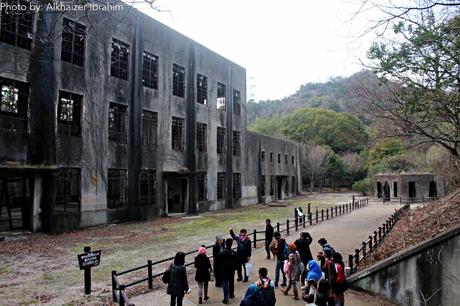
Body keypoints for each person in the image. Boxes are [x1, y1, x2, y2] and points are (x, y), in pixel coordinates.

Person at [219, 238, 238, 304]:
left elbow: (219, 261)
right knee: (231, 282)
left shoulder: (222, 252)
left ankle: (226, 298)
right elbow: (236, 262)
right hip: (231, 270)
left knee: (225, 283)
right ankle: (231, 294)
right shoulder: (234, 252)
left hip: (224, 269)